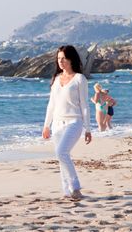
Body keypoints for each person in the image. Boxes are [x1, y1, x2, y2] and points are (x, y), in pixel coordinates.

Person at [42, 45, 92, 200]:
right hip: (57, 123)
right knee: (61, 157)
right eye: (58, 59)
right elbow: (51, 105)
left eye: (63, 58)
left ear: (71, 59)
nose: (61, 61)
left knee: (61, 152)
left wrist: (88, 129)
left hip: (74, 122)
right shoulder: (56, 80)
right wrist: (46, 125)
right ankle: (67, 190)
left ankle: (76, 188)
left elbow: (84, 105)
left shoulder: (79, 79)